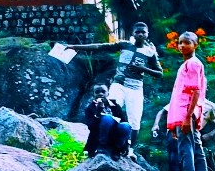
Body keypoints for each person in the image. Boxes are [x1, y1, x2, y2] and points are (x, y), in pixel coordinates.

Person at [65, 22, 162, 152]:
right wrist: (75, 46)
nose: (140, 34)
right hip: (119, 84)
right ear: (133, 33)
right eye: (137, 32)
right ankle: (104, 143)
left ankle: (129, 149)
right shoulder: (124, 45)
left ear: (147, 34)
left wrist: (143, 69)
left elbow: (159, 73)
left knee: (135, 122)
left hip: (135, 89)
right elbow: (101, 46)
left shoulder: (150, 53)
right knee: (108, 113)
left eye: (143, 32)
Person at [163, 32, 211, 171]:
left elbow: (195, 92)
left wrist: (186, 117)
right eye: (180, 43)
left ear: (195, 45)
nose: (182, 46)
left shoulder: (192, 64)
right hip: (186, 115)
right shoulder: (190, 64)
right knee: (197, 152)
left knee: (186, 153)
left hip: (186, 115)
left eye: (187, 42)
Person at [152, 98, 215, 171]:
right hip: (175, 129)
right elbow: (163, 111)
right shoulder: (182, 98)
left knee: (192, 157)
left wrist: (209, 135)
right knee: (175, 152)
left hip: (193, 134)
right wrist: (156, 124)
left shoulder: (210, 106)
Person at [84, 83, 132, 160]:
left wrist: (127, 144)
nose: (100, 94)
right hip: (99, 137)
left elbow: (124, 122)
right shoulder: (90, 108)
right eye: (97, 92)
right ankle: (102, 146)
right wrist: (98, 113)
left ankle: (117, 149)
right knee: (107, 118)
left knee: (126, 126)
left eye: (103, 91)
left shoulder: (115, 105)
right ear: (93, 94)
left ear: (108, 93)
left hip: (115, 134)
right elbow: (91, 127)